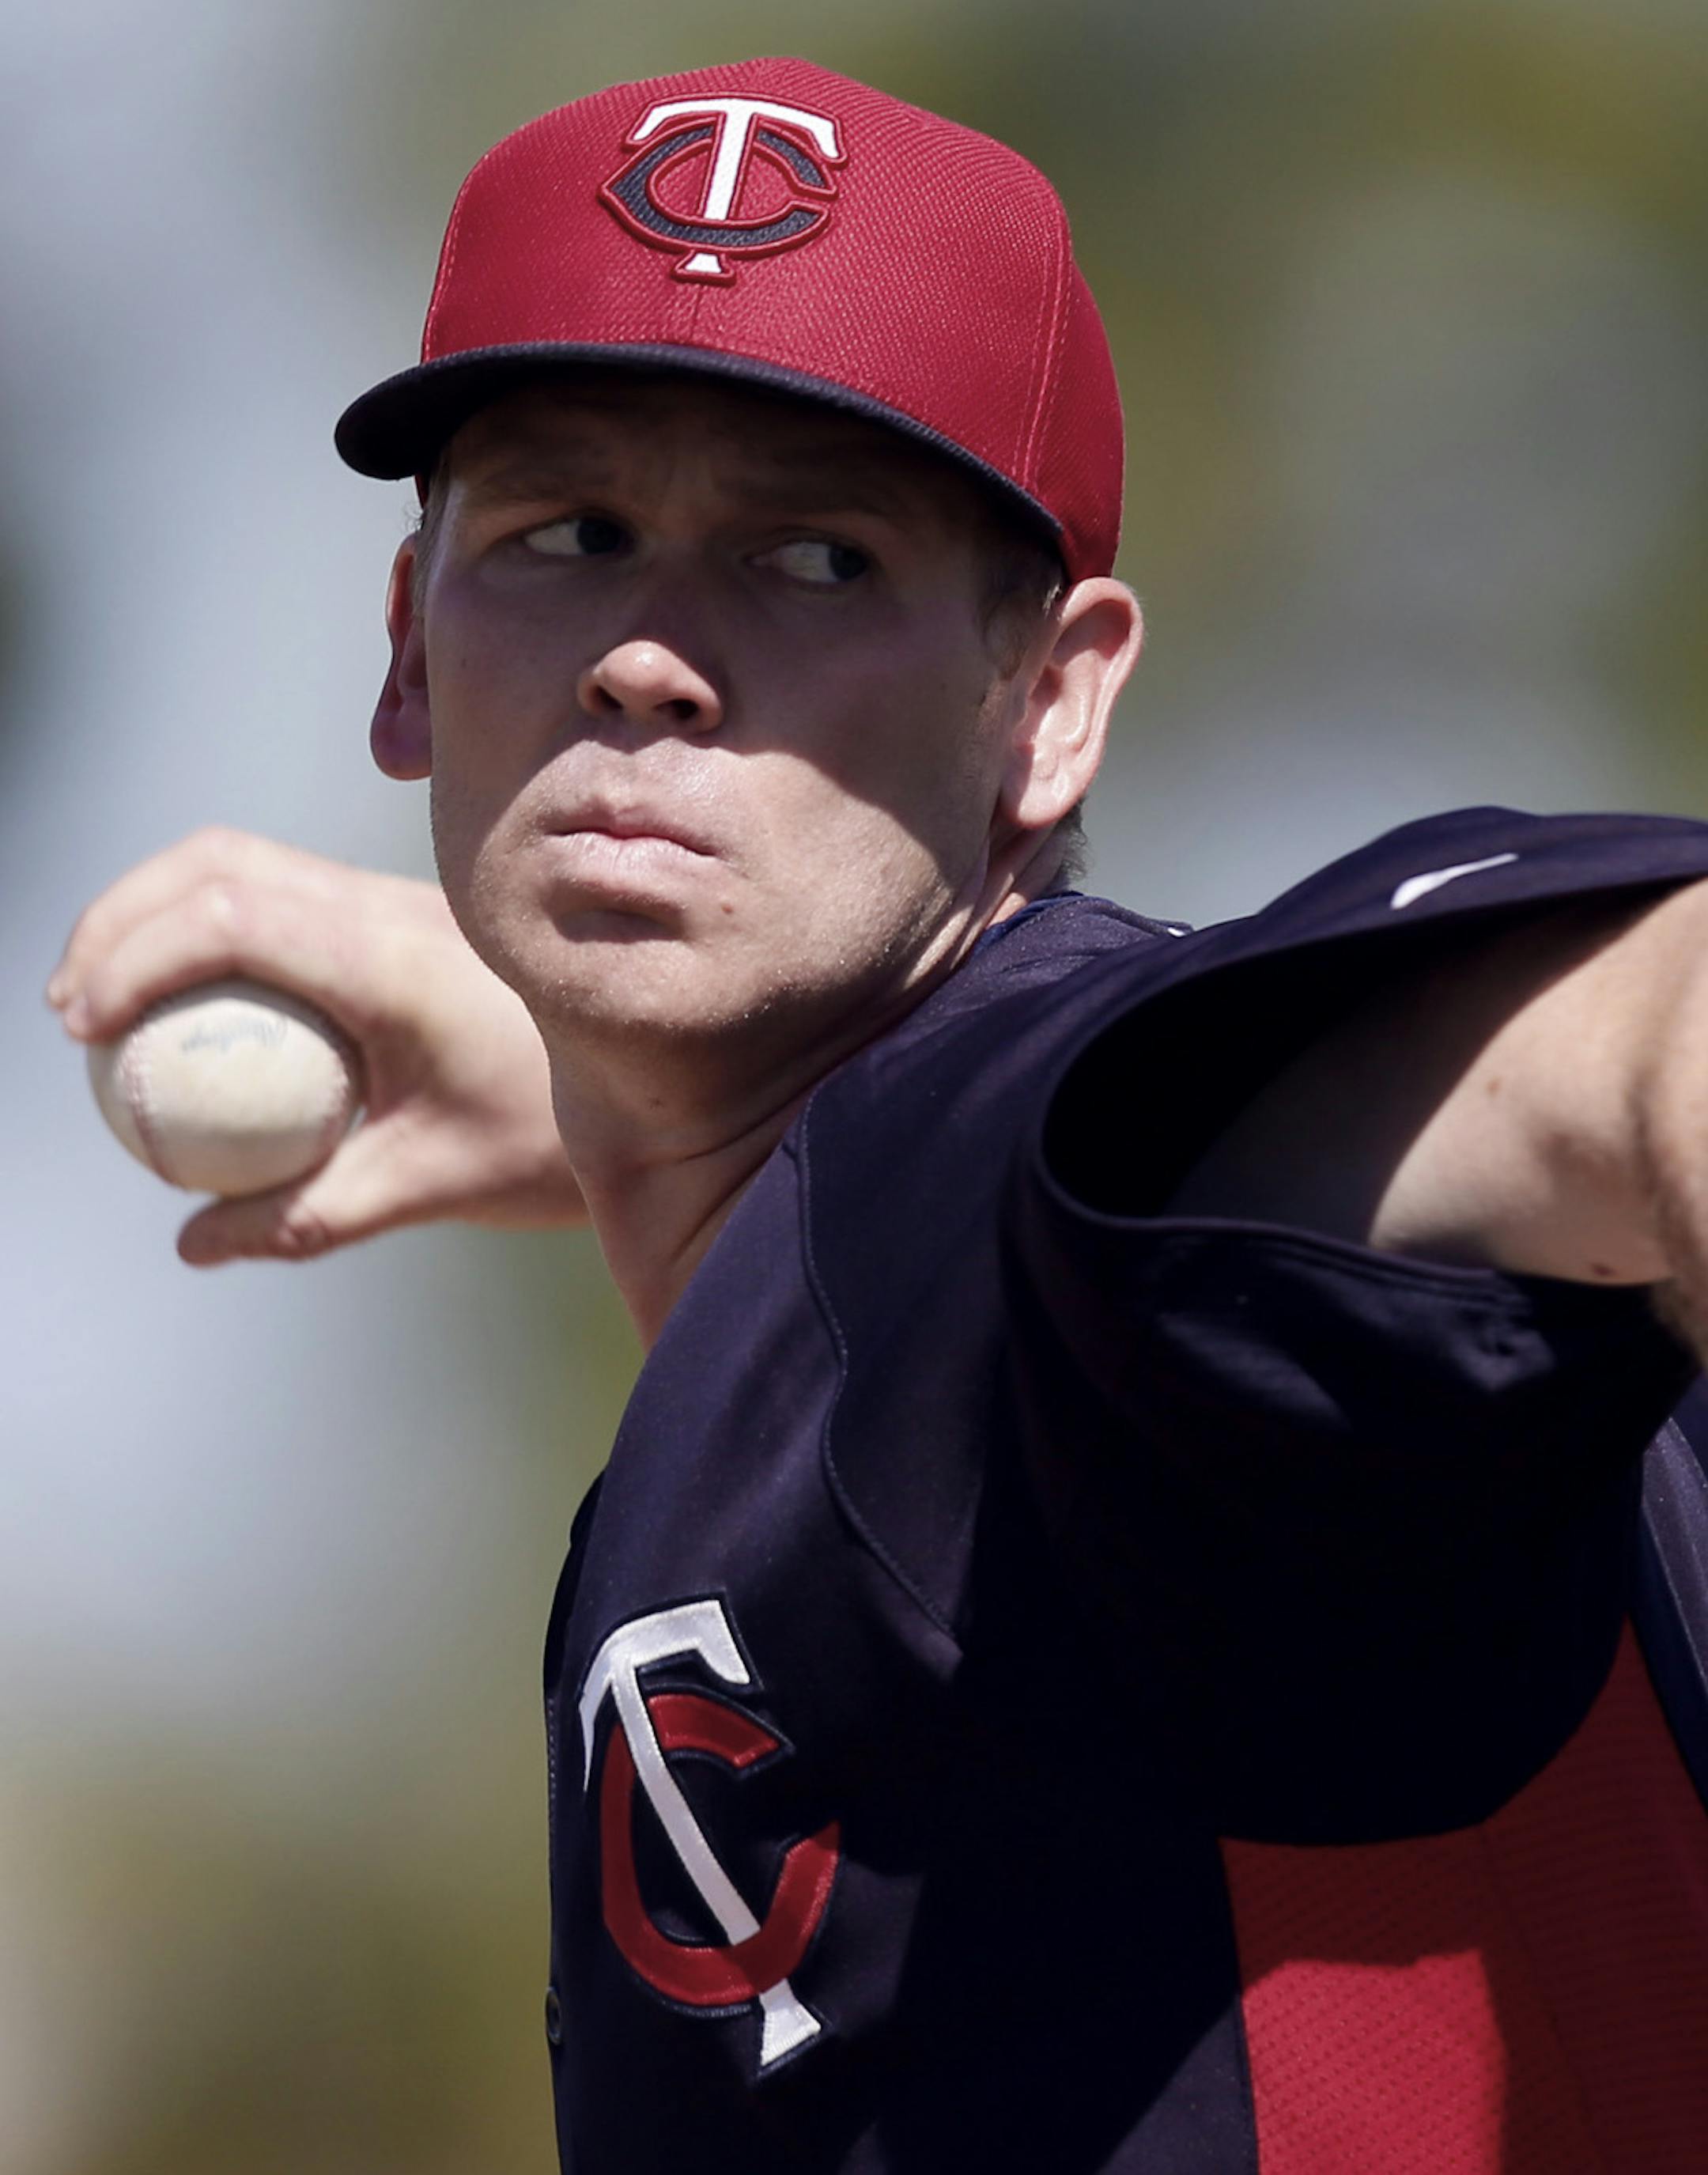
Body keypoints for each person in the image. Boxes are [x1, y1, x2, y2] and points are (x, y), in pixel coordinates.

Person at [49, 57, 1708, 2175]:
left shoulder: (1024, 1176)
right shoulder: (902, 1239)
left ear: (1054, 701)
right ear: (406, 650)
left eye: (819, 560)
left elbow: (1664, 1039)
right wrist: (604, 1107)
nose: (651, 658)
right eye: (570, 532)